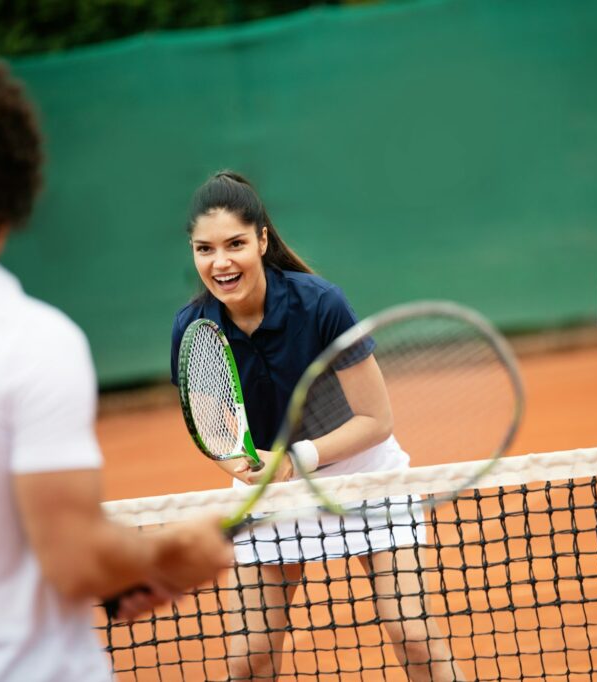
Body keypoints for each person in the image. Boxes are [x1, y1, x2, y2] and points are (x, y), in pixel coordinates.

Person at [0, 51, 233, 681]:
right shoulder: (30, 340)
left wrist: (121, 573)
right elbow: (75, 557)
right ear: (10, 185)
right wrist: (166, 553)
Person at [171, 170, 461, 681]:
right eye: (204, 249)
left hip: (363, 477)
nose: (220, 263)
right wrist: (244, 466)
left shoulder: (320, 304)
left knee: (412, 633)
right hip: (274, 494)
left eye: (235, 244)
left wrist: (294, 459)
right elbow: (215, 435)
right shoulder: (193, 327)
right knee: (248, 657)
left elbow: (376, 420)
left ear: (262, 240)